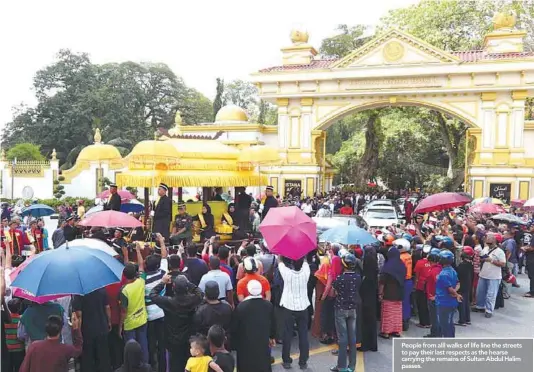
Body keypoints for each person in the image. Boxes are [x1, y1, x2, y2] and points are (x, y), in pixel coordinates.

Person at [149, 275, 203, 372]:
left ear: (174, 288)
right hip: (188, 339)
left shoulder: (169, 302)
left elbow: (152, 294)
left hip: (173, 340)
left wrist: (162, 282)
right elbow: (200, 293)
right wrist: (188, 283)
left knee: (174, 366)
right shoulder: (191, 300)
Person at [232, 280, 276, 372]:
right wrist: (272, 337)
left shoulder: (242, 306)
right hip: (262, 341)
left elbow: (235, 327)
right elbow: (273, 323)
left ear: (248, 291)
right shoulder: (268, 305)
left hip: (245, 343)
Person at [331, 253, 361, 372]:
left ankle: (341, 366)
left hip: (341, 310)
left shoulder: (339, 279)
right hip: (352, 310)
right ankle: (352, 366)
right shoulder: (358, 277)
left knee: (342, 339)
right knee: (352, 338)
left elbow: (333, 293)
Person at [278, 257, 310, 370]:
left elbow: (280, 262)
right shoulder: (306, 271)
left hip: (289, 306)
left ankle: (286, 361)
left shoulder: (287, 273)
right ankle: (303, 361)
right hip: (303, 306)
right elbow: (305, 261)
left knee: (287, 333)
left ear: (292, 263)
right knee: (303, 334)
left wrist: (281, 254)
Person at [71, 288, 112, 372]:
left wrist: (78, 332)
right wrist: (109, 322)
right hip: (102, 327)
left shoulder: (79, 295)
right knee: (103, 357)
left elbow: (79, 315)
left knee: (87, 358)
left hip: (87, 331)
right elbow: (107, 307)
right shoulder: (101, 290)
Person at [120, 261, 149, 363]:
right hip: (142, 319)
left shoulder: (124, 291)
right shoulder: (141, 281)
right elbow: (141, 266)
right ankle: (145, 366)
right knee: (143, 345)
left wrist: (120, 326)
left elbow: (123, 311)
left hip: (130, 324)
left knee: (131, 350)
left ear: (124, 275)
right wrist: (137, 250)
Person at [473, 234, 506, 318]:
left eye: (490, 243)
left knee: (491, 295)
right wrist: (482, 259)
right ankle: (480, 306)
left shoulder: (500, 252)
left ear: (495, 242)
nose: (489, 244)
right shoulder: (485, 249)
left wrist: (491, 260)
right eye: (488, 243)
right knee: (480, 292)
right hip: (483, 274)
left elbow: (503, 264)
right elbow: (481, 258)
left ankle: (489, 310)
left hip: (494, 276)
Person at [378, 247, 406, 339]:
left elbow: (382, 282)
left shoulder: (387, 267)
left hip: (388, 293)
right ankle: (396, 331)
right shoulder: (402, 265)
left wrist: (380, 293)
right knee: (397, 313)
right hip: (399, 292)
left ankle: (386, 332)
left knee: (388, 313)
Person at [435, 250, 462, 338]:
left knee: (445, 325)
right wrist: (455, 292)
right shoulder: (452, 270)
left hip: (444, 302)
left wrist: (455, 293)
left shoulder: (443, 274)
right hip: (451, 302)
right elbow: (458, 283)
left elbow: (449, 289)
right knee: (450, 323)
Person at [359, 245, 378, 352]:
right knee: (372, 321)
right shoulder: (374, 270)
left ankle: (365, 344)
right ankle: (373, 345)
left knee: (365, 322)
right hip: (372, 298)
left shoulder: (366, 276)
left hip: (366, 300)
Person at [425, 249, 442, 338]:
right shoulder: (438, 269)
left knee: (435, 317)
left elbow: (439, 283)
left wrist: (435, 296)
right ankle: (435, 333)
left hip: (434, 297)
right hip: (435, 296)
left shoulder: (434, 271)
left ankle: (436, 334)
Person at [413, 246, 431, 328]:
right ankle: (429, 322)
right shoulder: (433, 262)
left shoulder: (419, 262)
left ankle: (423, 323)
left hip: (421, 286)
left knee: (421, 304)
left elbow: (417, 276)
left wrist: (415, 286)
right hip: (430, 287)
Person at [456, 246, 474, 326]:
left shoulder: (462, 265)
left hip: (462, 286)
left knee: (461, 303)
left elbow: (458, 276)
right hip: (468, 285)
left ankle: (462, 320)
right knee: (466, 303)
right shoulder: (470, 263)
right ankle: (467, 319)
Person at [6, 298, 25, 372]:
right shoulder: (21, 319)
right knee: (18, 368)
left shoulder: (5, 319)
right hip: (19, 349)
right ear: (19, 308)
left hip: (7, 348)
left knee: (8, 368)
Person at [521, 223, 534, 297]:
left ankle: (532, 292)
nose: (531, 227)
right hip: (530, 258)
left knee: (532, 275)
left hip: (532, 259)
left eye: (532, 226)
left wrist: (524, 248)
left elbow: (532, 248)